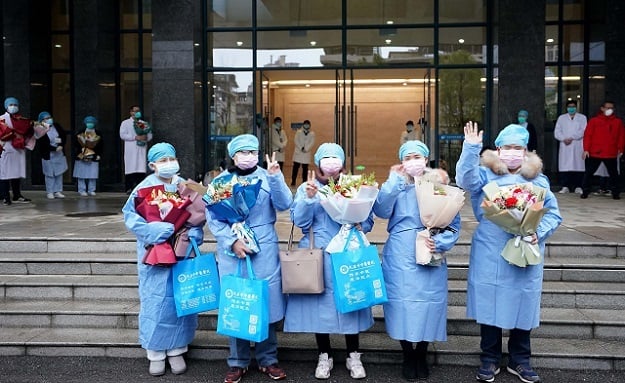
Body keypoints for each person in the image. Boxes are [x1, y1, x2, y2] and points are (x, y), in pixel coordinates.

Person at [456, 122, 562, 383]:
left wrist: (538, 232)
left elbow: (554, 214)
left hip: (525, 248)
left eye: (518, 148)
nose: (513, 152)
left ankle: (520, 359)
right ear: (498, 149)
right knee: (490, 302)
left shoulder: (538, 180)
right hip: (491, 248)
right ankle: (489, 358)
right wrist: (470, 149)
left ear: (526, 151)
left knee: (522, 302)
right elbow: (464, 180)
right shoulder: (484, 175)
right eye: (508, 147)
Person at [207, 134, 292, 383]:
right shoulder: (221, 181)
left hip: (264, 247)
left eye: (252, 151)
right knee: (238, 301)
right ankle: (238, 361)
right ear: (233, 155)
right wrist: (231, 241)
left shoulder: (268, 176)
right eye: (242, 152)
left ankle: (268, 359)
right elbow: (213, 219)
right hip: (233, 250)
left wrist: (276, 177)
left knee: (264, 301)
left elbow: (285, 203)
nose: (248, 156)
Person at [285, 143, 374, 380]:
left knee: (352, 302)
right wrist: (309, 199)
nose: (331, 162)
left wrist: (360, 223)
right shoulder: (308, 186)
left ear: (343, 162)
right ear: (318, 162)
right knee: (320, 307)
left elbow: (368, 221)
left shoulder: (354, 186)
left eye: (336, 157)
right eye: (326, 157)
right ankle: (324, 354)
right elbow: (300, 222)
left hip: (348, 253)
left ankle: (353, 354)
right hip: (319, 253)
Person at [373, 140, 461, 381]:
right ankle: (407, 354)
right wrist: (392, 182)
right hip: (400, 251)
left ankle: (421, 352)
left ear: (426, 158)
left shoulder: (438, 185)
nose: (413, 161)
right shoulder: (395, 185)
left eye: (417, 156)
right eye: (408, 157)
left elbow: (453, 222)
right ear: (402, 161)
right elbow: (380, 211)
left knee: (428, 303)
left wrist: (441, 243)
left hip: (429, 248)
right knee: (401, 303)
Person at [122, 142, 204, 377]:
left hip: (181, 249)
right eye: (163, 160)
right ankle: (155, 353)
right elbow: (130, 216)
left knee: (181, 298)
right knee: (156, 301)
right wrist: (153, 230)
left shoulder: (185, 185)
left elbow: (200, 211)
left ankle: (178, 349)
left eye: (171, 158)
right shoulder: (143, 188)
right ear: (152, 164)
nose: (169, 163)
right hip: (154, 252)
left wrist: (195, 233)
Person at [580, 101, 625, 200]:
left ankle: (616, 192)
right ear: (602, 108)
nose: (610, 110)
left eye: (612, 108)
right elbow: (588, 135)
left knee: (614, 174)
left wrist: (621, 149)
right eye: (608, 108)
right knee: (589, 173)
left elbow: (621, 136)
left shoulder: (617, 122)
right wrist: (586, 149)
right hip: (596, 151)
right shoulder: (594, 121)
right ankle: (585, 191)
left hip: (610, 152)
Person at [0, 97, 33, 205]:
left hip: (18, 149)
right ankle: (5, 196)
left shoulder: (21, 119)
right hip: (6, 149)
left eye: (15, 105)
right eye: (11, 105)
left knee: (16, 173)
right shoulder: (1, 119)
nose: (13, 107)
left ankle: (17, 195)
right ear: (6, 106)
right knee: (5, 174)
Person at [554, 100, 586, 194]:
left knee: (578, 165)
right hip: (565, 145)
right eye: (569, 106)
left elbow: (583, 130)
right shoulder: (561, 118)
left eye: (573, 106)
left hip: (577, 144)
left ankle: (578, 186)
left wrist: (572, 138)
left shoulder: (582, 118)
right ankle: (565, 186)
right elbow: (557, 131)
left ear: (576, 107)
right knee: (565, 166)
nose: (571, 108)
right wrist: (564, 139)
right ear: (567, 108)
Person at [35, 111, 68, 199]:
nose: (49, 119)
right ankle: (50, 191)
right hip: (48, 154)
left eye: (50, 117)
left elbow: (63, 136)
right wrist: (53, 149)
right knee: (49, 174)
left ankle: (58, 190)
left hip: (59, 153)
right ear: (42, 120)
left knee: (59, 173)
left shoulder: (56, 126)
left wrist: (61, 145)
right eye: (46, 118)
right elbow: (42, 144)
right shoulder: (40, 129)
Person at [120, 105, 152, 194]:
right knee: (130, 167)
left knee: (140, 167)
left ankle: (140, 188)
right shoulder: (125, 123)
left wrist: (145, 137)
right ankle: (129, 188)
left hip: (141, 148)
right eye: (134, 111)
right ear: (131, 112)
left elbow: (149, 135)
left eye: (138, 111)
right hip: (131, 148)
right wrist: (135, 137)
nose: (136, 112)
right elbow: (122, 135)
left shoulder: (143, 123)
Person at [73, 116, 102, 196]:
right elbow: (75, 144)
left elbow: (101, 145)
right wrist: (81, 151)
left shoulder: (98, 133)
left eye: (91, 123)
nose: (90, 124)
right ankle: (81, 189)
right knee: (81, 174)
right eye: (88, 123)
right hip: (82, 155)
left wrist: (98, 154)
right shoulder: (80, 132)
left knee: (92, 174)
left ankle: (91, 189)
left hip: (93, 155)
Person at [290, 119, 315, 186]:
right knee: (295, 168)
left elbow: (312, 142)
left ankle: (304, 182)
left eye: (308, 124)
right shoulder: (298, 132)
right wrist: (301, 148)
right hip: (298, 152)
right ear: (303, 125)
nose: (306, 125)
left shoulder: (312, 133)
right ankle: (293, 181)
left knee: (305, 169)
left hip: (306, 153)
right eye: (305, 124)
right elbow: (296, 140)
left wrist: (306, 149)